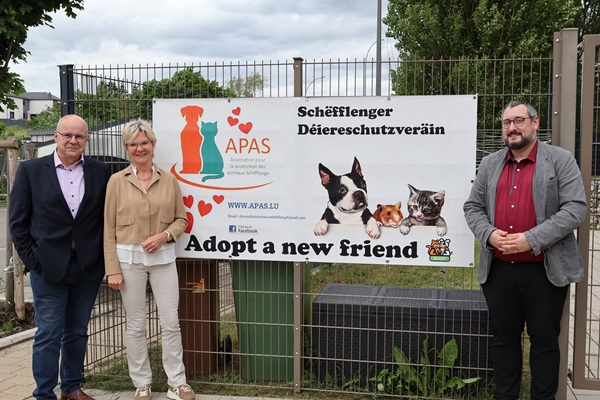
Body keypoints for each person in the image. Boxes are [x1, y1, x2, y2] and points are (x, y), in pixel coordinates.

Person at [463, 100, 587, 400]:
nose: (512, 128)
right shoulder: (490, 164)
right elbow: (472, 207)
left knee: (544, 344)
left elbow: (575, 208)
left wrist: (531, 239)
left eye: (519, 120)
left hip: (544, 271)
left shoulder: (560, 160)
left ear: (535, 122)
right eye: (507, 123)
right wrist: (489, 234)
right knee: (504, 342)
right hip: (499, 271)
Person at [9, 115, 110, 400]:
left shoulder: (100, 171)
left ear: (87, 140)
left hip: (87, 267)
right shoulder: (31, 170)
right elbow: (17, 223)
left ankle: (71, 388)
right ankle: (44, 394)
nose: (72, 141)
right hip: (48, 267)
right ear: (56, 136)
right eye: (67, 135)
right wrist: (33, 261)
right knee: (49, 334)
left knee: (77, 331)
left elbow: (106, 217)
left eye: (79, 136)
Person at [103, 119, 194, 400]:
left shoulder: (169, 180)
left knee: (171, 322)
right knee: (135, 325)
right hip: (128, 261)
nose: (139, 148)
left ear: (153, 144)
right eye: (133, 144)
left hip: (163, 260)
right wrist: (112, 269)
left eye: (144, 142)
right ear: (126, 147)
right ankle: (141, 383)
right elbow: (108, 228)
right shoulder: (116, 181)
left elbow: (181, 219)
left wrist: (165, 235)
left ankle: (176, 383)